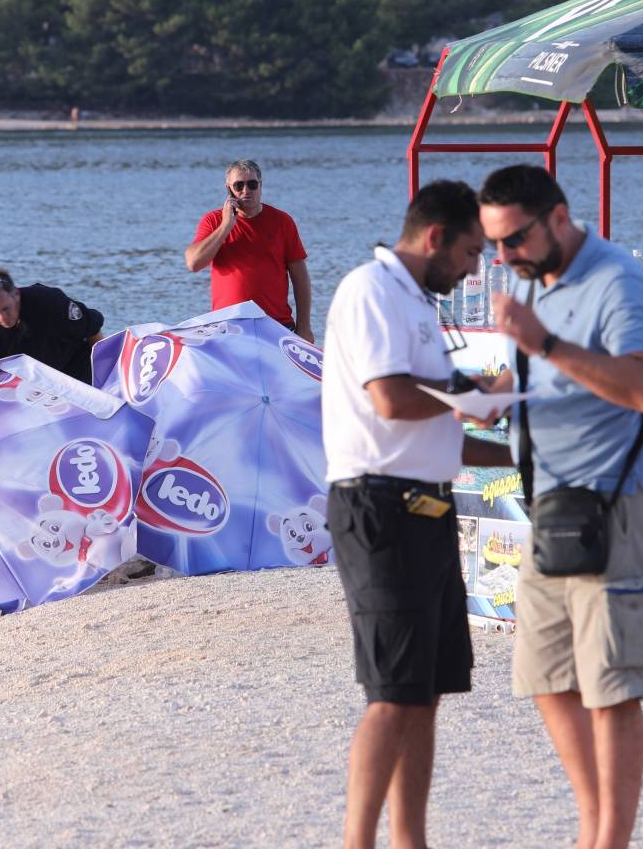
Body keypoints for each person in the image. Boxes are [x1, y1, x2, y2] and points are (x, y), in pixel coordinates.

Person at [474, 164, 643, 849]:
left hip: (620, 503)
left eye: (514, 241)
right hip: (554, 507)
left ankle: (608, 839)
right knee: (545, 676)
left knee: (612, 686)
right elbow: (528, 375)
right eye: (493, 245)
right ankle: (595, 825)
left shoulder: (616, 280)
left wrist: (545, 343)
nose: (503, 259)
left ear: (558, 218)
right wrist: (478, 397)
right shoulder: (544, 286)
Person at [321, 178, 502, 849]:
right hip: (379, 506)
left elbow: (441, 422)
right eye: (471, 252)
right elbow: (394, 401)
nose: (475, 268)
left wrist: (519, 439)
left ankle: (411, 842)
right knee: (393, 691)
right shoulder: (370, 291)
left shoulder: (419, 303)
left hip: (427, 502)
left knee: (426, 690)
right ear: (435, 238)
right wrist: (473, 396)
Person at [185, 160, 313, 341]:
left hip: (276, 327)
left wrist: (304, 327)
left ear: (260, 186)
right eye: (239, 185)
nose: (246, 190)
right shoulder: (213, 221)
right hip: (227, 328)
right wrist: (226, 226)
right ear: (228, 189)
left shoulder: (282, 221)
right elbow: (193, 263)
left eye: (252, 184)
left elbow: (300, 278)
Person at [0, 268, 105, 383]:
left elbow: (93, 329)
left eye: (6, 309)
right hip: (32, 388)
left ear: (16, 294)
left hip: (79, 375)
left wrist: (103, 376)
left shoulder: (51, 303)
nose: (2, 318)